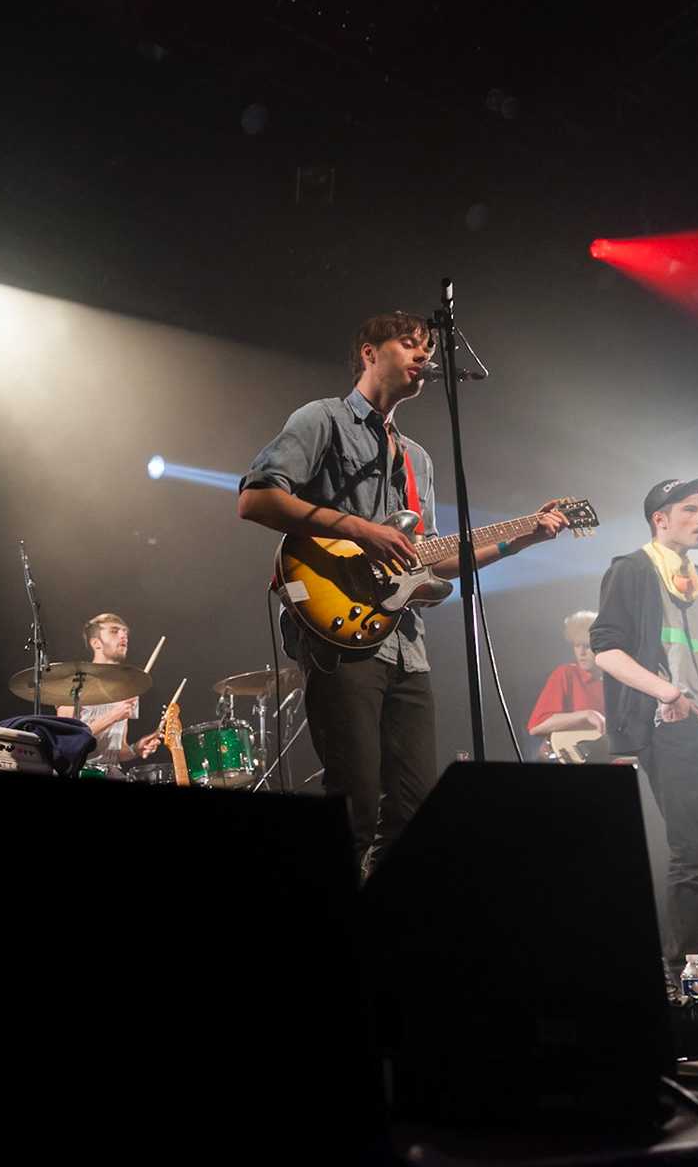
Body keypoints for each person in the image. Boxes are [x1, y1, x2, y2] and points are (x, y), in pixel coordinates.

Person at [239, 311, 570, 875]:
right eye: (410, 344)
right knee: (355, 804)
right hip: (339, 630)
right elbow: (256, 498)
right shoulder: (323, 419)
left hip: (406, 647)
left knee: (415, 812)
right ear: (370, 353)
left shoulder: (418, 459)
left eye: (429, 351)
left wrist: (520, 541)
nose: (425, 357)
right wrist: (360, 530)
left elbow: (430, 559)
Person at [590, 478, 698, 990]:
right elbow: (606, 650)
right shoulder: (631, 569)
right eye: (690, 509)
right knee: (694, 853)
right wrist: (666, 692)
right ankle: (685, 975)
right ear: (660, 519)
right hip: (672, 727)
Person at [56, 613, 161, 777]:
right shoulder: (76, 683)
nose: (123, 635)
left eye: (125, 632)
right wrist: (113, 716)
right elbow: (66, 742)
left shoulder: (127, 688)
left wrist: (136, 749)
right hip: (81, 770)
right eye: (114, 631)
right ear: (96, 643)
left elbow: (119, 751)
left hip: (113, 771)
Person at [525, 610, 608, 762]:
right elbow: (537, 726)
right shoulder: (567, 673)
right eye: (577, 645)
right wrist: (588, 714)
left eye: (587, 646)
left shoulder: (616, 683)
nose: (581, 653)